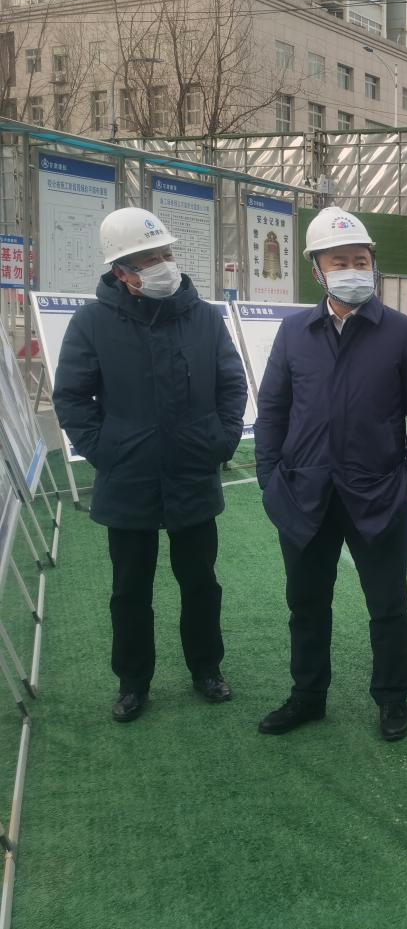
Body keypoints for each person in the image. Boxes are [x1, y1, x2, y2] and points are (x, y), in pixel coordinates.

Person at [53, 207, 246, 723]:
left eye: (165, 253)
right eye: (148, 259)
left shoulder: (203, 317)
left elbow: (231, 384)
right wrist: (107, 451)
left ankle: (207, 668)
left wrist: (221, 440)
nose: (164, 264)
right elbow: (72, 398)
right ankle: (133, 682)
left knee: (200, 583)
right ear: (121, 272)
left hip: (193, 472)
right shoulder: (92, 322)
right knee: (129, 590)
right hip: (128, 480)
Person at [254, 207, 407, 742]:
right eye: (340, 261)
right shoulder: (294, 332)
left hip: (378, 494)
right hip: (304, 493)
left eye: (361, 260)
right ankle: (307, 695)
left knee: (387, 606)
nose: (354, 269)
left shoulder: (402, 332)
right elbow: (273, 409)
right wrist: (270, 478)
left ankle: (392, 697)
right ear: (318, 269)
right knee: (306, 604)